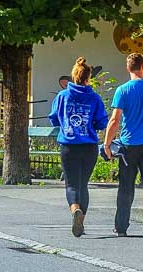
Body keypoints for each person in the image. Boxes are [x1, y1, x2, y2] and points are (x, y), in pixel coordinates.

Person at [103, 53, 143, 240]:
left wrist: (107, 144)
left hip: (129, 144)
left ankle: (121, 226)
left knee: (126, 186)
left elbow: (115, 120)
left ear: (128, 68)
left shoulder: (122, 90)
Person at [48, 57, 109, 238]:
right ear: (88, 78)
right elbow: (102, 122)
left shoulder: (63, 96)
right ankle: (81, 220)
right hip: (89, 146)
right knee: (83, 184)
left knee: (72, 184)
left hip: (69, 145)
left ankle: (75, 209)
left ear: (73, 76)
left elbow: (53, 117)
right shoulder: (94, 98)